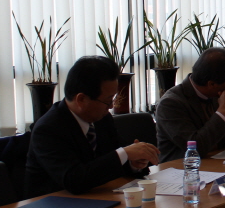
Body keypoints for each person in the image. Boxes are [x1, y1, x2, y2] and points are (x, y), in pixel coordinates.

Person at [25, 56, 160, 198]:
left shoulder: (102, 119)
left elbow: (110, 161)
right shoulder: (48, 129)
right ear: (81, 99)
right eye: (108, 101)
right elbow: (74, 180)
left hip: (96, 198)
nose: (111, 106)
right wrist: (124, 154)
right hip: (51, 204)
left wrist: (134, 162)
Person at [156, 47, 225, 162]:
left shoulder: (218, 95)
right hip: (182, 168)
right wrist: (223, 112)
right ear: (212, 84)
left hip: (217, 164)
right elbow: (195, 148)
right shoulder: (170, 104)